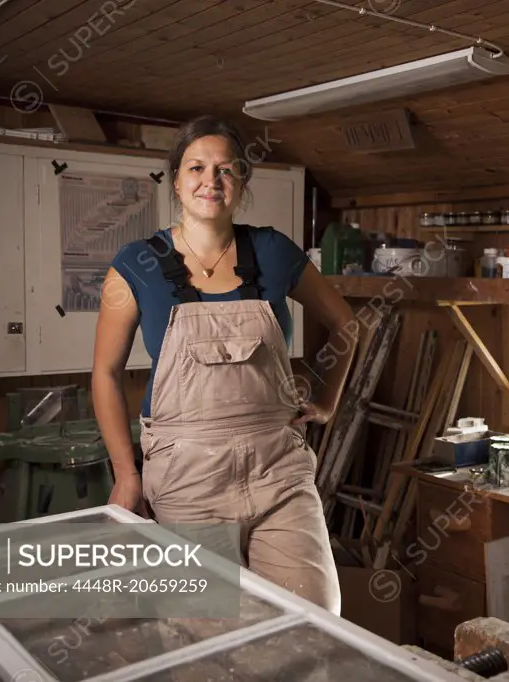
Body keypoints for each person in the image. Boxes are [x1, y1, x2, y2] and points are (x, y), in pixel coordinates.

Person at [92, 114, 356, 615]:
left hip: (278, 471)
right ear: (176, 179)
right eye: (196, 168)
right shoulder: (135, 264)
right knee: (204, 636)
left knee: (315, 623)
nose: (210, 181)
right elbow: (105, 373)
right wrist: (127, 474)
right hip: (186, 478)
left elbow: (348, 326)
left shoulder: (273, 251)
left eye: (226, 170)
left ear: (242, 181)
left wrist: (327, 402)